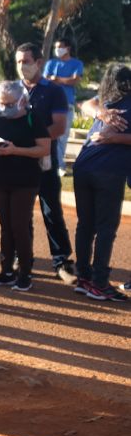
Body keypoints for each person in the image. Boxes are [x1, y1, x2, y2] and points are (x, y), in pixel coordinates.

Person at [0, 81, 51, 293]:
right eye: (2, 103)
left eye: (9, 103)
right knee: (6, 225)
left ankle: (25, 273)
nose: (5, 107)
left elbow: (44, 148)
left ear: (22, 100)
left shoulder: (32, 119)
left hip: (25, 181)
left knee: (19, 225)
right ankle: (6, 271)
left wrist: (15, 150)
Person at [70, 64, 131, 302]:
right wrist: (102, 116)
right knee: (105, 228)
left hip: (83, 167)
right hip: (108, 171)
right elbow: (85, 105)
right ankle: (99, 283)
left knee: (86, 225)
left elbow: (85, 103)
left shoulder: (106, 100)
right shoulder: (106, 104)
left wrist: (111, 133)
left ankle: (84, 278)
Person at [16, 43, 76, 284]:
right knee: (21, 213)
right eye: (19, 62)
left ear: (39, 63)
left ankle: (61, 261)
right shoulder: (13, 90)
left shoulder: (53, 91)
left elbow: (60, 127)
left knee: (51, 212)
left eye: (26, 61)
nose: (22, 67)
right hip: (18, 162)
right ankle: (23, 259)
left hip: (45, 162)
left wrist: (32, 142)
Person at [44, 38, 84, 175]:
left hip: (67, 104)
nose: (57, 49)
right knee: (48, 134)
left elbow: (75, 80)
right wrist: (64, 80)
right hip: (50, 104)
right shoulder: (51, 63)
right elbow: (46, 80)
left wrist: (57, 79)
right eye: (56, 47)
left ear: (67, 48)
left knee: (63, 136)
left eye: (60, 46)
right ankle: (50, 163)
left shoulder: (77, 63)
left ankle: (59, 165)